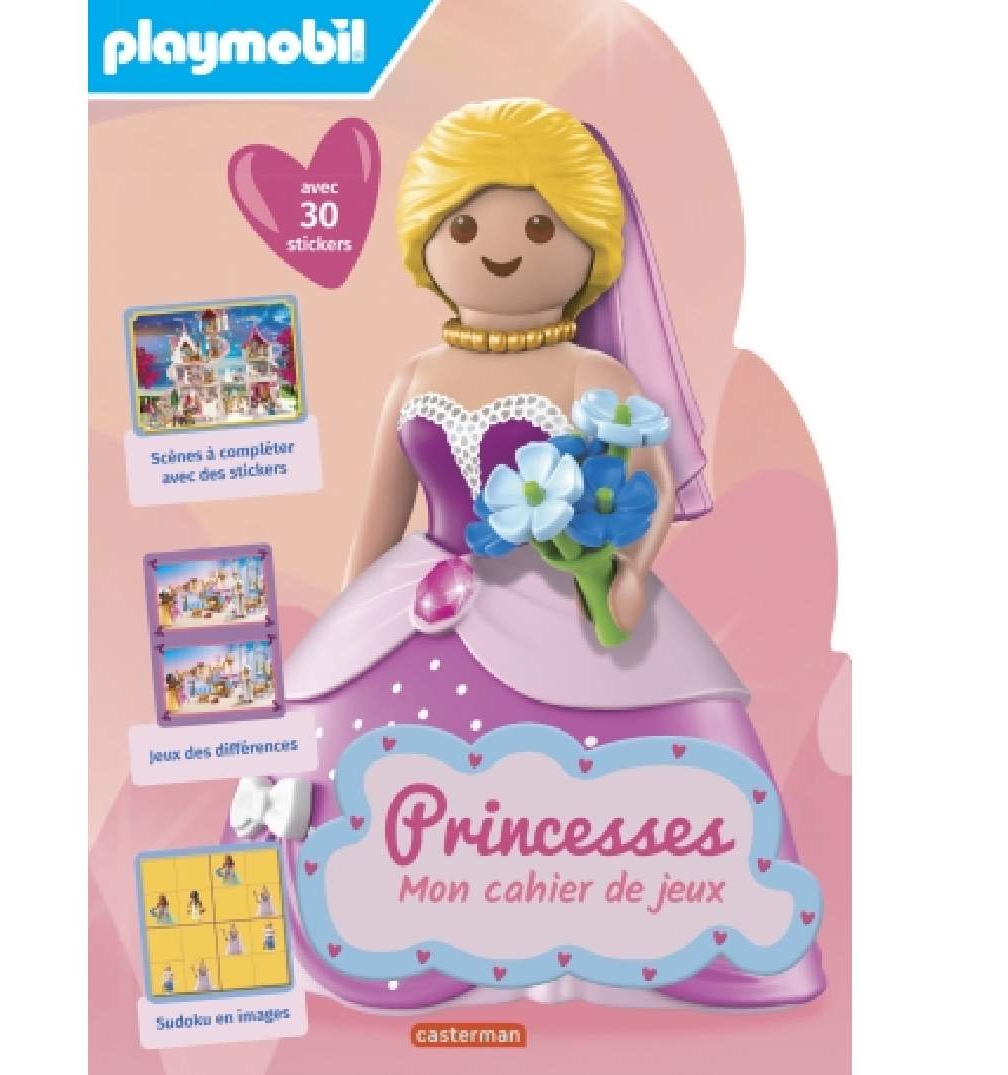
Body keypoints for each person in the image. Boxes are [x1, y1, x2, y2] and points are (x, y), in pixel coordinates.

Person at [251, 99, 824, 1011]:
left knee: (629, 766)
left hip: (565, 602)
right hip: (415, 600)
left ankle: (597, 936)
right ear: (428, 238)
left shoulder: (594, 378)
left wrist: (630, 573)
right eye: (465, 226)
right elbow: (378, 517)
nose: (499, 249)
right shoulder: (416, 377)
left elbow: (649, 487)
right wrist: (342, 634)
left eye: (538, 226)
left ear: (587, 242)